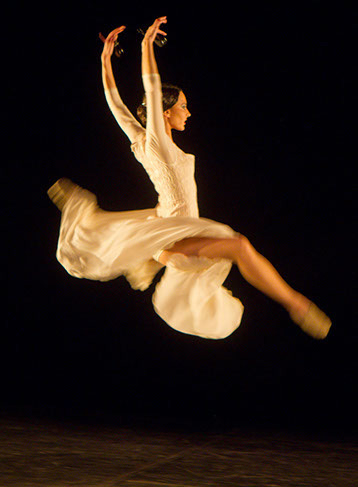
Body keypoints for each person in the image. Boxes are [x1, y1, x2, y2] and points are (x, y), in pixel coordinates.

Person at [48, 17, 331, 340]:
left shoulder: (142, 143)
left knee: (233, 248)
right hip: (177, 228)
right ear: (165, 113)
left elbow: (116, 104)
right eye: (183, 106)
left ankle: (160, 256)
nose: (188, 112)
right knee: (239, 246)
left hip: (175, 226)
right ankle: (296, 304)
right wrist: (145, 47)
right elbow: (151, 88)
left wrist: (104, 60)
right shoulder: (156, 140)